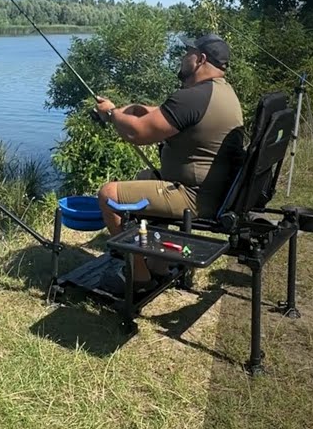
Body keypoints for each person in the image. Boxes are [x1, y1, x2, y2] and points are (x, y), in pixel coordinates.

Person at [93, 33, 246, 292]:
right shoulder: (220, 91)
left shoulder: (193, 97)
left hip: (194, 197)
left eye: (188, 52)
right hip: (216, 191)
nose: (183, 57)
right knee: (145, 179)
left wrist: (110, 113)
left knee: (109, 195)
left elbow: (137, 133)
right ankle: (158, 265)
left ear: (200, 59)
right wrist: (131, 110)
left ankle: (139, 278)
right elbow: (168, 113)